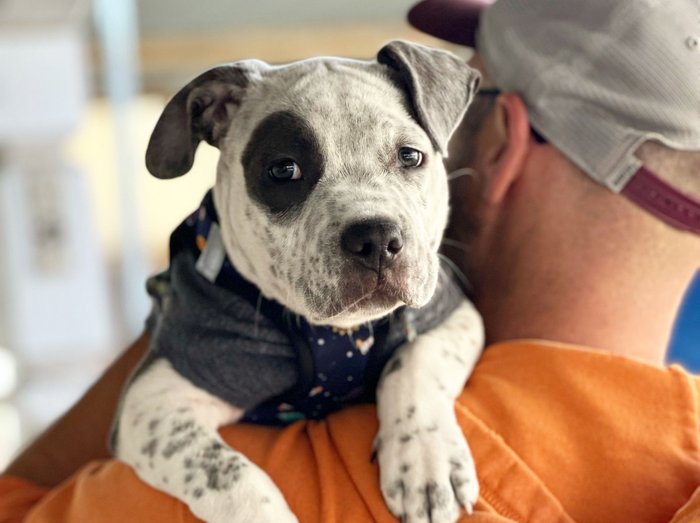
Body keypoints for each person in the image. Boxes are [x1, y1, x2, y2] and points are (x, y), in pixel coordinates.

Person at [2, 0, 700, 521]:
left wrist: (200, 300)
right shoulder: (680, 458)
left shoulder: (296, 477)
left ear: (499, 145)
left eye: (413, 151)